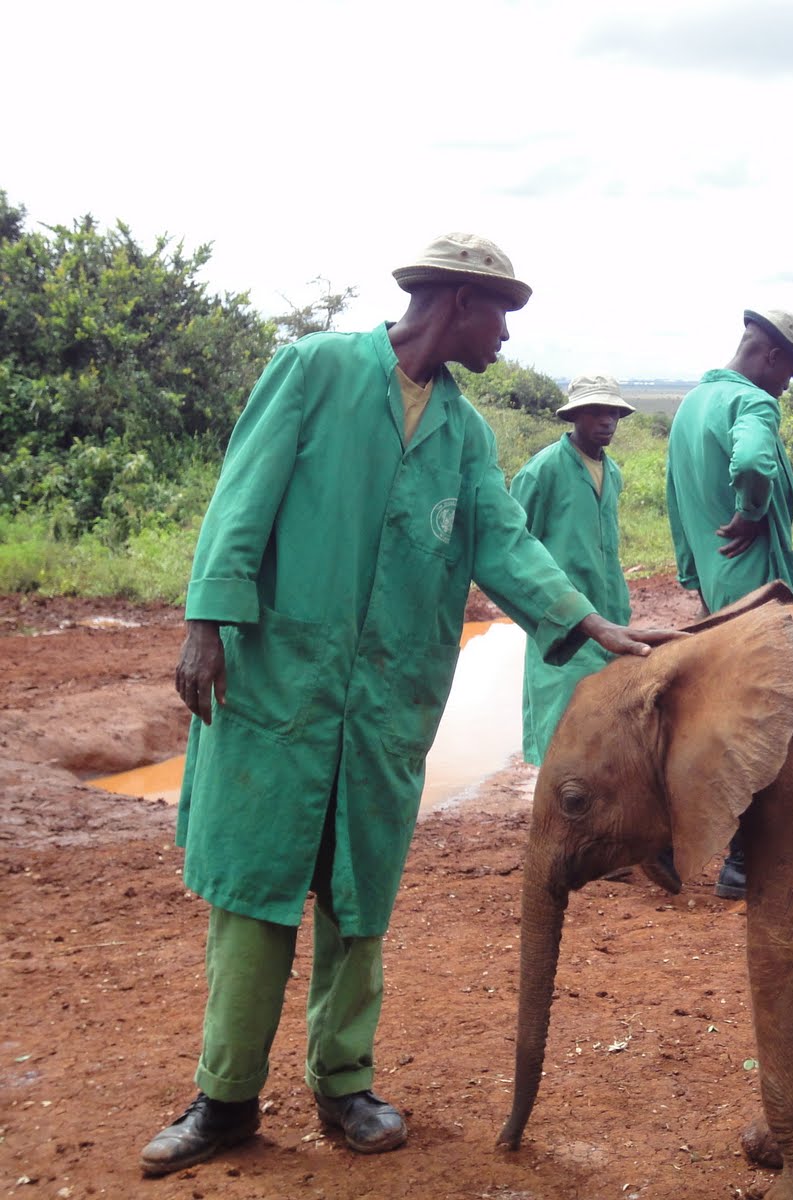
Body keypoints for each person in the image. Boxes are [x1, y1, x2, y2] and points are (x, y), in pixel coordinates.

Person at [140, 234, 680, 1177]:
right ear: (457, 301)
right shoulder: (312, 371)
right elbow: (242, 496)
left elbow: (503, 543)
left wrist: (591, 623)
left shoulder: (467, 433)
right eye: (501, 314)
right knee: (256, 897)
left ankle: (343, 1082)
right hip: (281, 687)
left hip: (386, 702)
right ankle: (223, 1099)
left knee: (360, 899)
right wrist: (207, 620)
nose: (508, 337)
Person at [665, 308, 793, 900]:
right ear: (770, 356)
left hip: (716, 583)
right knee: (764, 718)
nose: (785, 388)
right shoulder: (753, 403)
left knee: (718, 708)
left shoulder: (691, 404)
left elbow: (677, 500)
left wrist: (694, 569)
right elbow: (753, 463)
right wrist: (752, 515)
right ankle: (744, 860)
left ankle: (675, 834)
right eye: (789, 373)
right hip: (756, 587)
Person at [510, 374, 636, 765]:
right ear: (575, 416)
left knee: (606, 727)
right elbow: (515, 547)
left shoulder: (611, 473)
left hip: (611, 616)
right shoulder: (542, 471)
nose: (607, 421)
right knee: (560, 727)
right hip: (562, 621)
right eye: (597, 412)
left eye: (613, 413)